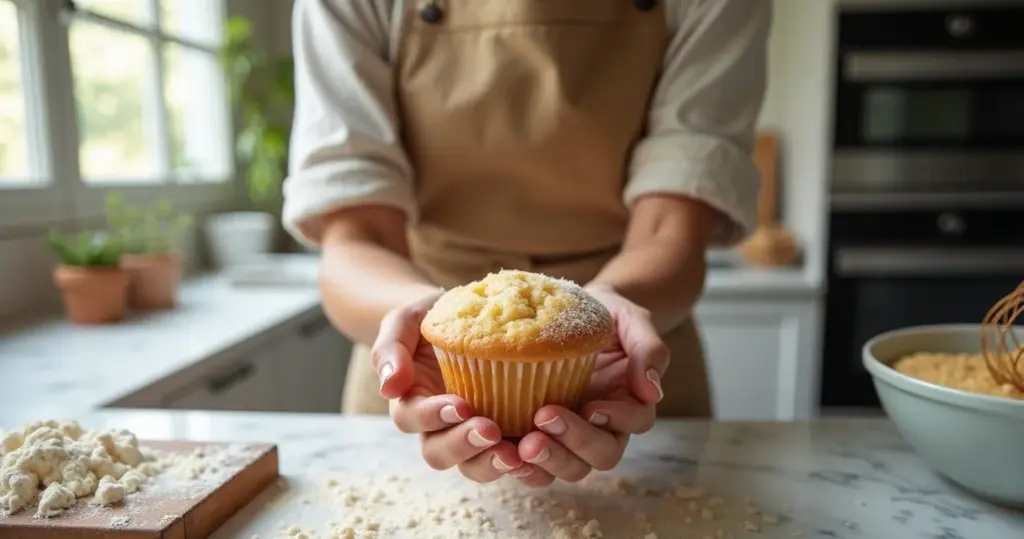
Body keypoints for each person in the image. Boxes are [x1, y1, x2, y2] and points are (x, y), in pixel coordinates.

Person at [283, 0, 770, 488]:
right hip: (421, 368)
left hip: (628, 353)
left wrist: (610, 308)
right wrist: (415, 322)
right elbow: (357, 235)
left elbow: (672, 227)